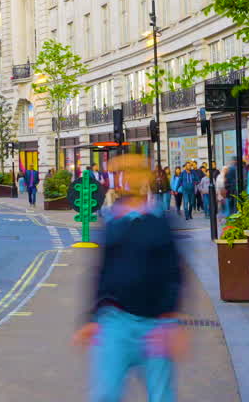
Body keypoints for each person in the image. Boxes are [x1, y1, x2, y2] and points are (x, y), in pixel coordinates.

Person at [72, 155, 186, 402]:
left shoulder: (161, 221)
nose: (129, 177)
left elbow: (174, 272)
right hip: (115, 322)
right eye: (124, 173)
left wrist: (172, 319)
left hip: (155, 325)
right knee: (105, 394)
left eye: (135, 172)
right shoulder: (112, 220)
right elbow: (103, 270)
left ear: (145, 177)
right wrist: (91, 318)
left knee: (161, 395)